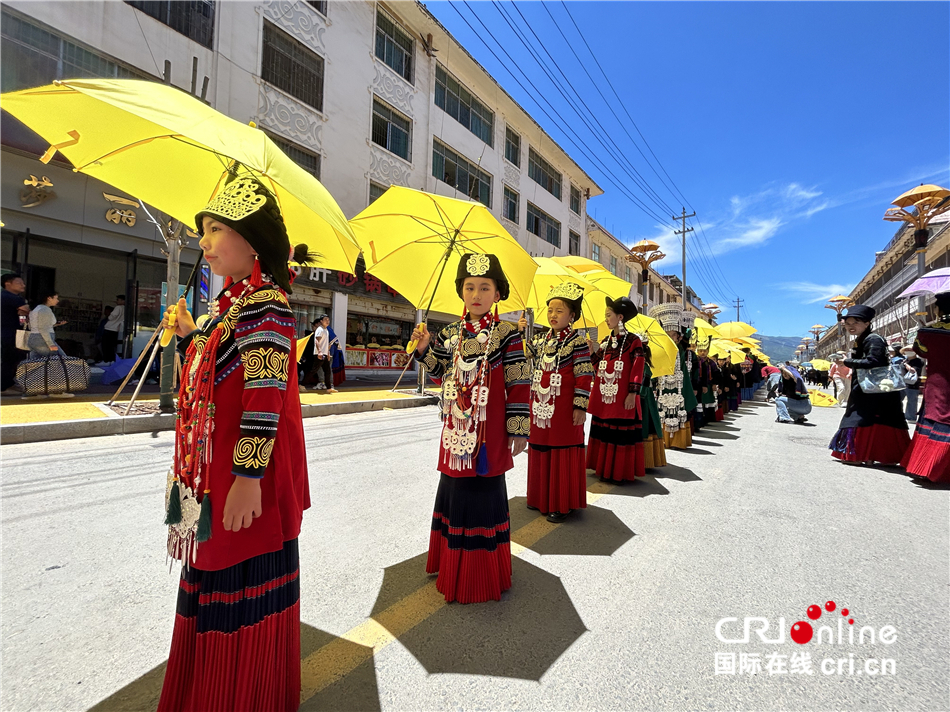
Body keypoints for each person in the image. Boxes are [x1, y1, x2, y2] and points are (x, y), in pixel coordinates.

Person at [157, 176, 311, 712]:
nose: (204, 241)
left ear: (252, 241)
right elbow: (214, 377)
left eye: (216, 229)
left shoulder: (267, 306)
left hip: (245, 476)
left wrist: (248, 480)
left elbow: (264, 396)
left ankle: (240, 696)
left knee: (237, 572)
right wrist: (188, 335)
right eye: (203, 230)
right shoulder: (227, 308)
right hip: (210, 473)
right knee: (212, 569)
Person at [410, 253, 529, 604]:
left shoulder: (508, 335)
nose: (476, 294)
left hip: (489, 436)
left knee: (484, 494)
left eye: (485, 288)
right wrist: (424, 349)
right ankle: (451, 565)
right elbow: (440, 373)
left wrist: (518, 428)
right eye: (469, 287)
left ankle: (481, 576)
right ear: (461, 291)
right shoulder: (450, 333)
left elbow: (518, 382)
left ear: (498, 293)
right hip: (456, 431)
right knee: (455, 491)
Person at [519, 282, 593, 522]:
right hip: (540, 407)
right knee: (539, 447)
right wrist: (520, 333)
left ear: (572, 316)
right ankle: (538, 497)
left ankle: (562, 503)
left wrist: (580, 407)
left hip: (564, 410)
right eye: (550, 310)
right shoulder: (540, 340)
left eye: (559, 311)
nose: (553, 314)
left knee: (561, 451)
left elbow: (584, 376)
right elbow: (522, 354)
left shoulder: (577, 343)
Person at [829, 304, 910, 466]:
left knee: (861, 419)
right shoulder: (864, 339)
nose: (850, 326)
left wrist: (847, 361)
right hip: (872, 389)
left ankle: (860, 455)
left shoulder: (873, 339)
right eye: (848, 323)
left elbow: (874, 361)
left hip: (874, 390)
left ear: (867, 323)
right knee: (876, 420)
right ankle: (879, 455)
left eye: (855, 322)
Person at [587, 296, 646, 483]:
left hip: (621, 398)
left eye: (608, 315)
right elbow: (597, 367)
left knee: (618, 434)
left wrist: (632, 393)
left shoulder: (634, 341)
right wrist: (591, 352)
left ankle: (618, 473)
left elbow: (638, 367)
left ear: (620, 317)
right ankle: (602, 470)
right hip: (604, 397)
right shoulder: (605, 342)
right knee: (605, 432)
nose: (606, 319)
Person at [901, 291, 950, 482]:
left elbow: (920, 351)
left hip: (938, 385)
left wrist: (922, 329)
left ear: (938, 310)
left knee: (935, 417)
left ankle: (926, 467)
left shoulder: (929, 332)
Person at [649, 303, 694, 449]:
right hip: (661, 386)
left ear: (678, 336)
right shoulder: (656, 349)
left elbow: (687, 335)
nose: (671, 337)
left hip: (679, 386)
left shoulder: (680, 350)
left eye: (673, 334)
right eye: (667, 334)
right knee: (661, 411)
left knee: (680, 410)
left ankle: (679, 441)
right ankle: (664, 440)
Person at [640, 338, 668, 466]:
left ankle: (646, 460)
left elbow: (644, 387)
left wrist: (638, 396)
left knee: (645, 426)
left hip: (644, 400)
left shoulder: (644, 366)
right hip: (643, 398)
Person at [1, 273, 29, 395]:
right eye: (19, 283)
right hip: (11, 333)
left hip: (9, 332)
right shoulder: (10, 297)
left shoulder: (6, 296)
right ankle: (4, 386)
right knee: (11, 359)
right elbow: (27, 310)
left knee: (14, 358)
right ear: (7, 283)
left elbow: (23, 316)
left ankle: (9, 384)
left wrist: (23, 315)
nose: (23, 285)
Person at [299, 315, 339, 394]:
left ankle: (329, 388)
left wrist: (328, 352)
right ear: (321, 321)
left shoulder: (326, 330)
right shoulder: (320, 329)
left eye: (328, 319)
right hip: (319, 354)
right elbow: (317, 341)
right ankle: (302, 385)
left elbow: (326, 343)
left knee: (327, 371)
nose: (327, 321)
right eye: (325, 319)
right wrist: (320, 351)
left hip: (324, 353)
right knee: (314, 370)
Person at [900, 344, 924, 422]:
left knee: (912, 402)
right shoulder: (904, 360)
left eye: (911, 350)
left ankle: (911, 417)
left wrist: (906, 365)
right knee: (897, 400)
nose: (909, 351)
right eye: (907, 350)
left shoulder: (918, 361)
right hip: (902, 384)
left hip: (913, 385)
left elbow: (913, 370)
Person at [100, 294, 125, 363]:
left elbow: (112, 316)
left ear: (122, 301)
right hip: (116, 329)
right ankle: (111, 360)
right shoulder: (125, 309)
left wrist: (109, 317)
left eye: (118, 300)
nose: (117, 301)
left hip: (110, 328)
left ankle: (106, 360)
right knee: (112, 347)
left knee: (106, 346)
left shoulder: (118, 307)